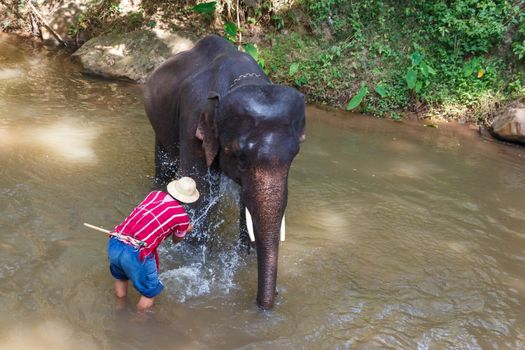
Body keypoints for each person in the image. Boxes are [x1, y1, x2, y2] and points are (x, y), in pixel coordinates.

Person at [107, 177, 199, 311]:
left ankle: (119, 310)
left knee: (121, 278)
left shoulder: (155, 194)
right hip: (136, 252)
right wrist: (185, 229)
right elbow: (176, 240)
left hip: (116, 240)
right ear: (188, 199)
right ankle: (136, 322)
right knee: (149, 293)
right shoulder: (182, 217)